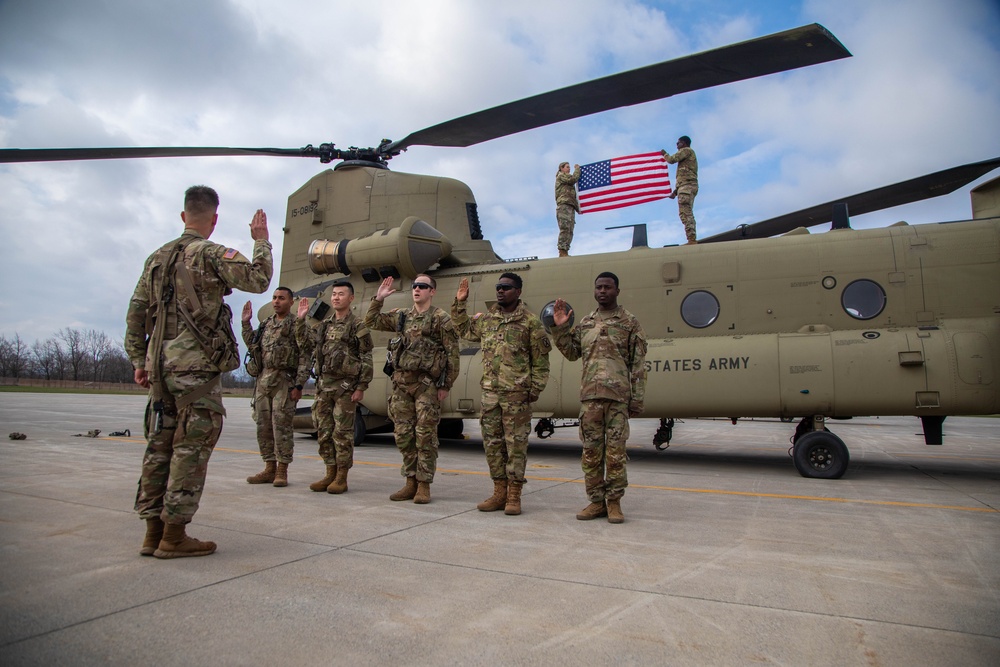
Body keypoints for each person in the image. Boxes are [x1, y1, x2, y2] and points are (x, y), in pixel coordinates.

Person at [125, 185, 272, 558]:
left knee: (159, 447)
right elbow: (258, 281)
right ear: (214, 219)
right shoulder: (211, 253)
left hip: (160, 371)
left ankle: (152, 533)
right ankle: (174, 536)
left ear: (183, 216)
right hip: (195, 373)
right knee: (189, 450)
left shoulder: (156, 259)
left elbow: (136, 312)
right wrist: (261, 242)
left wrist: (139, 360)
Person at [550, 272, 647, 524]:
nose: (602, 291)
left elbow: (637, 364)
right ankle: (596, 502)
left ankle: (614, 503)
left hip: (617, 399)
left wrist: (636, 399)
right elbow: (572, 353)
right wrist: (560, 329)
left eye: (607, 287)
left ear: (617, 290)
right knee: (591, 453)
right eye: (598, 287)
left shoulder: (630, 323)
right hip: (590, 398)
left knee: (615, 454)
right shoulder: (585, 322)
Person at [451, 273, 551, 515]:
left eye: (506, 287)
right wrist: (460, 302)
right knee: (493, 446)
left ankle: (514, 495)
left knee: (516, 446)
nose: (500, 291)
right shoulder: (487, 320)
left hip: (516, 397)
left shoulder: (530, 323)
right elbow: (462, 328)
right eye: (498, 287)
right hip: (490, 396)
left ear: (518, 292)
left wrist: (534, 390)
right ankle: (499, 492)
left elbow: (541, 361)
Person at [365, 275, 459, 504]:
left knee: (425, 436)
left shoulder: (440, 319)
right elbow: (371, 321)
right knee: (404, 435)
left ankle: (424, 485)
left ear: (432, 291)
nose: (417, 289)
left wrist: (445, 385)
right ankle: (410, 482)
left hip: (426, 386)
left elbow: (452, 355)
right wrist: (378, 299)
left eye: (423, 286)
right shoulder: (402, 316)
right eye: (415, 286)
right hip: (401, 384)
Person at [300, 280, 373, 494]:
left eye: (341, 294)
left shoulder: (357, 326)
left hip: (344, 388)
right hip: (324, 387)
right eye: (334, 294)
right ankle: (329, 472)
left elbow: (366, 357)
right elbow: (305, 344)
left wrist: (361, 386)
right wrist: (300, 320)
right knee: (323, 431)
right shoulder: (324, 325)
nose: (336, 298)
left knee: (343, 433)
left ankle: (342, 476)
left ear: (351, 298)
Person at [241, 287, 311, 487]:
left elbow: (305, 355)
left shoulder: (296, 325)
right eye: (274, 298)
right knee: (263, 426)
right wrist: (246, 324)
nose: (276, 301)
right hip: (264, 380)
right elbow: (253, 345)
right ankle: (269, 467)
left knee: (281, 426)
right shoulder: (265, 325)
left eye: (281, 298)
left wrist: (299, 384)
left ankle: (282, 470)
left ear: (291, 302)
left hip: (284, 381)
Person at [662, 136, 699, 245]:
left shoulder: (686, 151)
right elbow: (684, 177)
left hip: (687, 187)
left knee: (686, 212)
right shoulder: (688, 155)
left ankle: (691, 239)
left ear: (684, 143)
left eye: (678, 143)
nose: (677, 145)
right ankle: (691, 238)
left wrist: (664, 154)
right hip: (686, 186)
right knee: (685, 213)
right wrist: (675, 192)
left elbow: (671, 160)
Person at [554, 161, 582, 257]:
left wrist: (578, 208)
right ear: (561, 168)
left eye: (569, 167)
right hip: (564, 205)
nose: (569, 169)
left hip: (570, 205)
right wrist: (577, 170)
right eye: (567, 167)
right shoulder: (561, 176)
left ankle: (566, 249)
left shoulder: (566, 177)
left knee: (570, 229)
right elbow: (573, 179)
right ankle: (562, 250)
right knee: (565, 228)